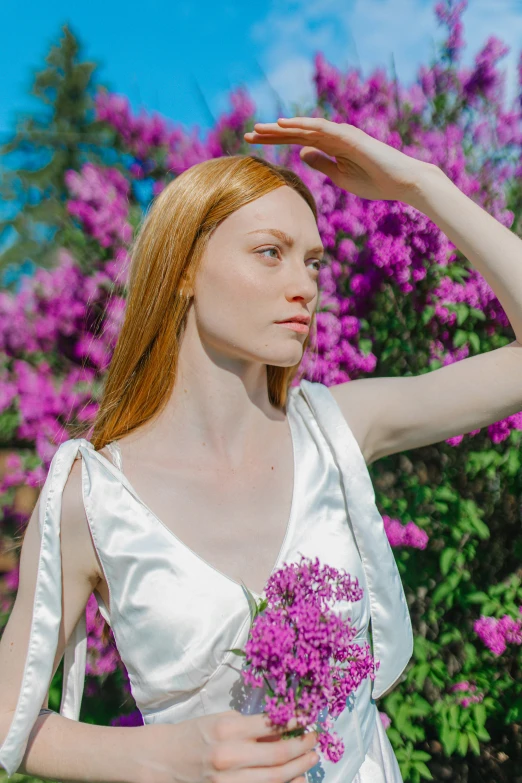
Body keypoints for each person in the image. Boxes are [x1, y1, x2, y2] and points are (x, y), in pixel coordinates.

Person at [1, 115, 521, 783]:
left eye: (313, 261)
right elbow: (10, 723)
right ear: (184, 269)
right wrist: (162, 757)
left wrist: (420, 183)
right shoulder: (92, 496)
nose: (305, 284)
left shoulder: (337, 430)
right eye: (270, 252)